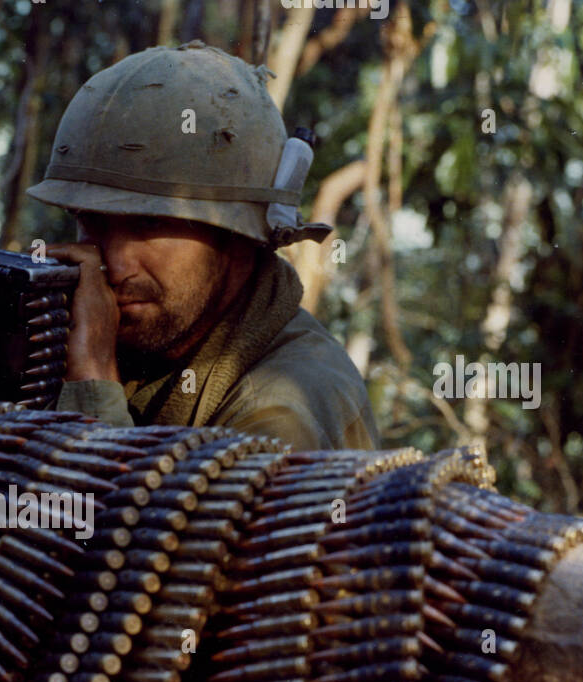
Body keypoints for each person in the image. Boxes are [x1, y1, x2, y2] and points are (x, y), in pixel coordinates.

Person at [27, 41, 381, 451]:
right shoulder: (145, 343)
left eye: (150, 223)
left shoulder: (285, 408)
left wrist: (93, 390)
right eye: (91, 220)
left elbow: (130, 497)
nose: (116, 265)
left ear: (239, 237)